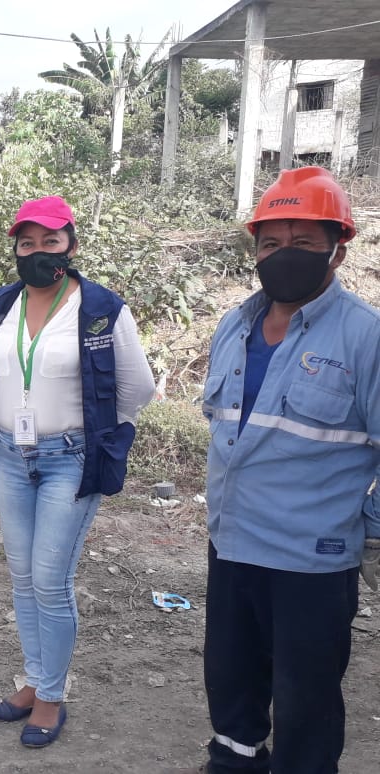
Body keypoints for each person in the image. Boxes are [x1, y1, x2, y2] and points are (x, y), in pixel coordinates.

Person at [185, 166, 380, 774]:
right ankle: (234, 762)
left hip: (311, 560)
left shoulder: (366, 337)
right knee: (232, 688)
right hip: (232, 544)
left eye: (302, 241)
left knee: (305, 705)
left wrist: (371, 526)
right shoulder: (233, 325)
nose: (283, 254)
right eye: (271, 242)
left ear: (337, 249)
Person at [0, 196, 155, 749]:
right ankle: (33, 680)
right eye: (26, 243)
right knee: (22, 576)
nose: (38, 252)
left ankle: (51, 696)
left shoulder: (100, 308)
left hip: (68, 459)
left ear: (71, 245)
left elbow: (137, 388)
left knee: (50, 579)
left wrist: (98, 437)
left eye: (50, 241)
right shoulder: (1, 304)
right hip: (9, 454)